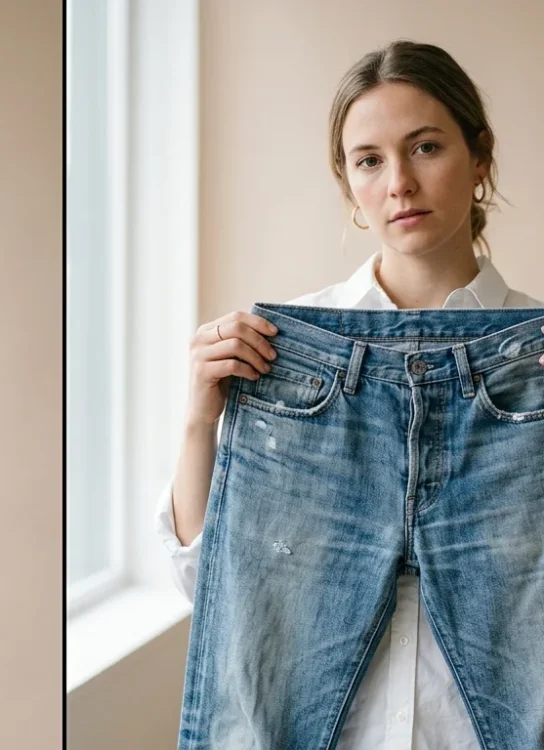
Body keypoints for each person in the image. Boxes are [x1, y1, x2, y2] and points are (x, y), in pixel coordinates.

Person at [157, 40, 541, 747]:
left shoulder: (537, 367)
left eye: (426, 147)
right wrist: (198, 421)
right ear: (349, 183)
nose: (399, 182)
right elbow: (217, 591)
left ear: (479, 157)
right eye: (369, 160)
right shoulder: (279, 353)